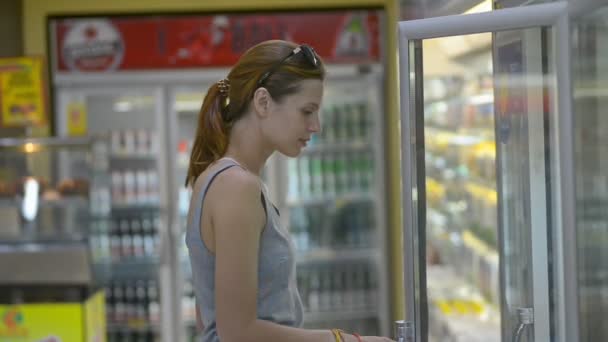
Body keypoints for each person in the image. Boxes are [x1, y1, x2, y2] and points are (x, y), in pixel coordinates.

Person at [185, 39, 394, 342]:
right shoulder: (237, 187)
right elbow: (238, 333)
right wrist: (345, 340)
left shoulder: (219, 179)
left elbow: (208, 317)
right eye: (307, 111)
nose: (316, 125)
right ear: (263, 102)